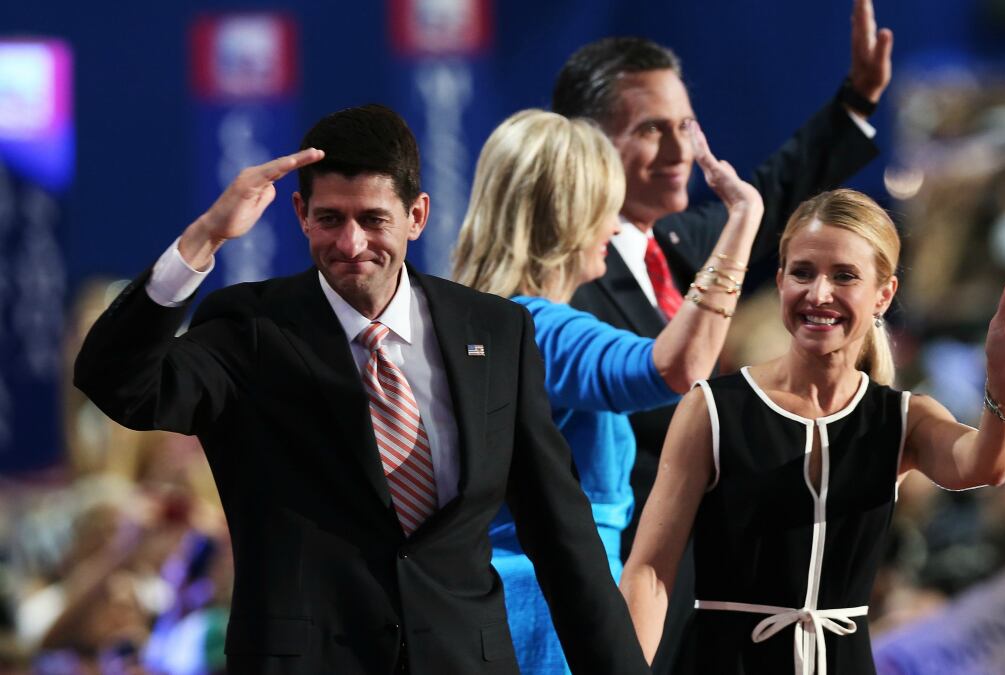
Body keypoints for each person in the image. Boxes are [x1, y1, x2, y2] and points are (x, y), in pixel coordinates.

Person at [73, 104, 648, 674]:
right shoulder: (250, 331)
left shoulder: (496, 332)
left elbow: (563, 538)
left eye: (373, 219)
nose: (350, 244)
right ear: (300, 213)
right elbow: (119, 383)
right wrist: (202, 240)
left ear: (417, 216)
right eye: (329, 219)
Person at [620, 189, 1005, 674]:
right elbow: (650, 573)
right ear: (781, 278)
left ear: (883, 294)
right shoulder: (714, 408)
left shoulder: (901, 417)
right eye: (802, 272)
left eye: (844, 276)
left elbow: (983, 466)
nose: (819, 293)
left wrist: (1004, 380)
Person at [555, 4, 893, 668]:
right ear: (585, 143)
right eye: (653, 129)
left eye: (686, 123)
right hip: (628, 594)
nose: (683, 150)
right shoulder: (562, 288)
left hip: (712, 605)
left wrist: (855, 100)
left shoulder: (677, 244)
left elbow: (772, 190)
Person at [452, 109, 762, 674]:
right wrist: (743, 219)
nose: (616, 228)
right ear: (569, 216)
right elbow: (677, 366)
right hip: (554, 617)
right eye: (606, 209)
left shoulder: (473, 318)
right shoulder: (537, 329)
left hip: (502, 606)